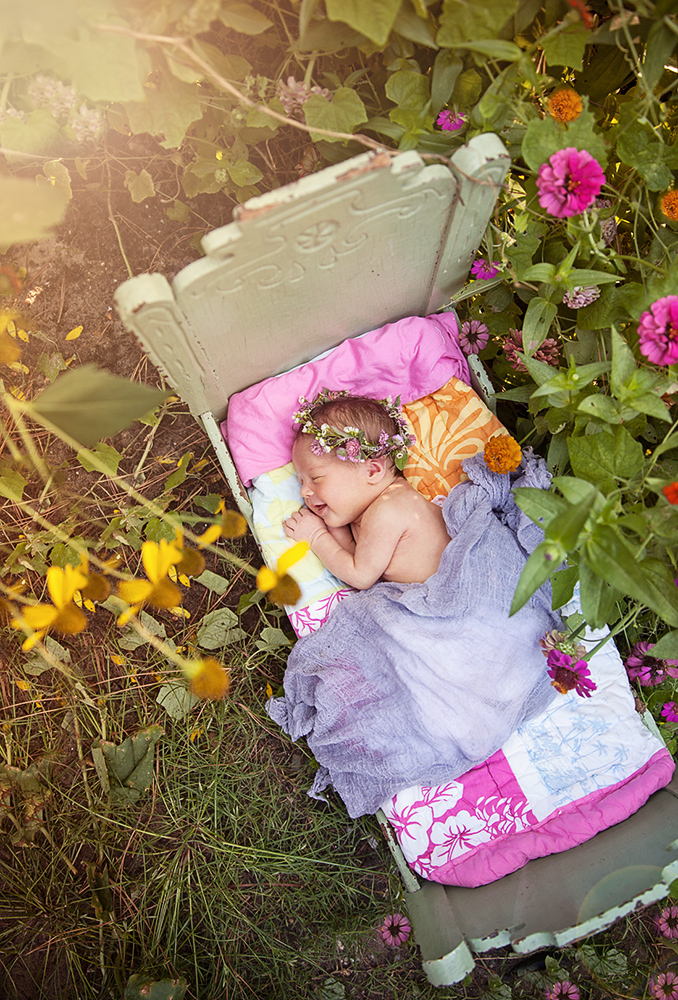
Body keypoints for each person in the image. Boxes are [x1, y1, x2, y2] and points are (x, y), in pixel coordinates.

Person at [282, 389, 451, 589]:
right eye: (301, 482)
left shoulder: (388, 510)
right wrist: (333, 524)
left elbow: (360, 576)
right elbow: (359, 557)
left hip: (449, 589)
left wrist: (316, 536)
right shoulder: (371, 509)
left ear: (371, 471)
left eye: (316, 479)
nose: (304, 492)